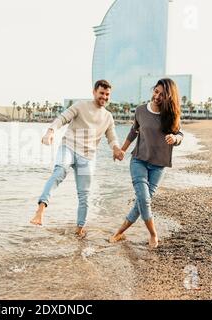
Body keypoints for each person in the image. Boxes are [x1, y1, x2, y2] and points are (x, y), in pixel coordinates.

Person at [30, 80, 125, 238]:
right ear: (94, 92)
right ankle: (40, 211)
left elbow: (112, 137)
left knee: (84, 195)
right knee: (59, 171)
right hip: (69, 146)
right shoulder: (81, 106)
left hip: (87, 156)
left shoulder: (108, 117)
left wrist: (116, 149)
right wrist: (50, 131)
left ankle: (79, 230)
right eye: (101, 93)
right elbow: (62, 118)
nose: (104, 97)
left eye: (107, 94)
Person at [109, 78, 183, 248]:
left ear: (169, 97)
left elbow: (180, 135)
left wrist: (175, 138)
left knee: (141, 202)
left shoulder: (171, 115)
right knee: (143, 198)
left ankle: (119, 232)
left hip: (159, 166)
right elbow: (134, 131)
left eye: (162, 95)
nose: (157, 96)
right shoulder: (141, 110)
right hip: (139, 160)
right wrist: (122, 150)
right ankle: (153, 235)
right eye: (156, 91)